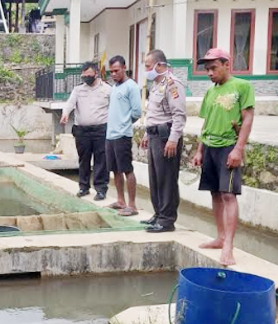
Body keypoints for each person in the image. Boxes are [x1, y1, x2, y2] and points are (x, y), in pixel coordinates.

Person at [192, 48, 255, 266]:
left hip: (228, 146)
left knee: (229, 195)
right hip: (209, 145)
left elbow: (247, 119)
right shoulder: (211, 92)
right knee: (215, 193)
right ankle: (219, 237)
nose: (209, 73)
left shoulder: (242, 86)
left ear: (227, 64)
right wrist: (200, 150)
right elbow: (206, 122)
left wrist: (238, 149)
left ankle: (228, 245)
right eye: (207, 69)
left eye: (213, 68)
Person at [140, 49, 187, 233]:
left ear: (160, 65)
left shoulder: (172, 84)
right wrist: (146, 134)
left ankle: (167, 219)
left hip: (166, 136)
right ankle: (158, 213)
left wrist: (173, 139)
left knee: (167, 178)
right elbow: (155, 113)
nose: (146, 70)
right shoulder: (156, 84)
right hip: (154, 135)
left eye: (148, 66)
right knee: (155, 178)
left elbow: (179, 115)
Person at [61, 61, 111, 199]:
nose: (86, 78)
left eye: (89, 75)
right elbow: (70, 104)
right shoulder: (78, 90)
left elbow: (114, 108)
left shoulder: (107, 89)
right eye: (84, 76)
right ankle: (83, 187)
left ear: (96, 73)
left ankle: (101, 189)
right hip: (82, 131)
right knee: (84, 159)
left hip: (101, 130)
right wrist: (65, 114)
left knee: (101, 160)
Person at [106, 55, 142, 216]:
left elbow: (136, 112)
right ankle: (120, 200)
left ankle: (132, 205)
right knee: (115, 169)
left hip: (123, 135)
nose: (113, 74)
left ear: (124, 68)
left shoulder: (131, 87)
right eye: (111, 71)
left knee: (127, 169)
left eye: (116, 71)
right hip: (110, 134)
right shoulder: (114, 87)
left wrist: (124, 123)